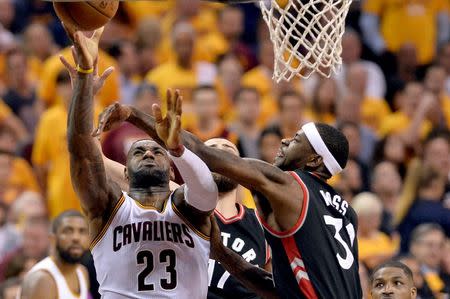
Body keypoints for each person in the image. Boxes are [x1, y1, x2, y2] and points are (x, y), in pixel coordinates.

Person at [95, 94, 362, 298]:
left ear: (314, 159)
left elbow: (201, 151)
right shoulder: (345, 212)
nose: (283, 141)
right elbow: (278, 290)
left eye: (295, 140)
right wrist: (222, 254)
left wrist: (133, 115)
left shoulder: (288, 185)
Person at [64, 25, 219, 298]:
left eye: (157, 152)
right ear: (125, 170)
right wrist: (85, 83)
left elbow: (207, 193)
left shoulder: (185, 206)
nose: (148, 153)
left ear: (171, 168)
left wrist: (179, 150)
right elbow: (81, 152)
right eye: (138, 152)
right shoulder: (109, 208)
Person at [204, 138, 269, 299]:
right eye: (212, 149)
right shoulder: (180, 213)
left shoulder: (262, 223)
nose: (220, 152)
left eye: (228, 150)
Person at [19, 210, 90, 299]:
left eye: (82, 231)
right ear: (53, 239)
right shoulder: (43, 279)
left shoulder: (82, 272)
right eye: (68, 231)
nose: (76, 238)